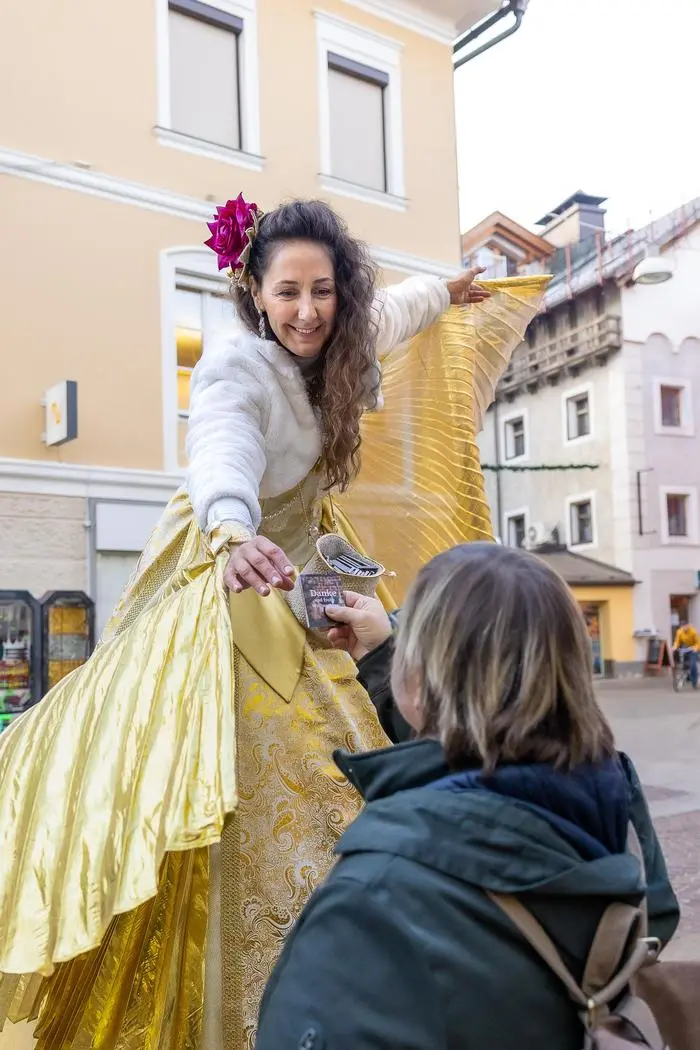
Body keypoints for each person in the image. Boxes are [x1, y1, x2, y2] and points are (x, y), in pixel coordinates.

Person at [0, 198, 546, 1050]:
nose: (306, 310)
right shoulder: (236, 367)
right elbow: (220, 445)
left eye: (323, 291)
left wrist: (447, 288)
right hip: (232, 569)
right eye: (286, 291)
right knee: (229, 776)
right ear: (254, 292)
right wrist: (229, 528)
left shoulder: (346, 344)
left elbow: (396, 311)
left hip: (304, 569)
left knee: (359, 726)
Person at [256, 544, 679, 1050]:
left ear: (417, 678)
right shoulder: (610, 791)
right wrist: (384, 656)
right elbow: (478, 763)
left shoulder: (374, 894)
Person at [672, 619, 699, 687]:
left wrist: (695, 648)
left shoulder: (693, 631)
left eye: (685, 626)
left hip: (693, 648)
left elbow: (698, 643)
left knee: (693, 665)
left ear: (688, 625)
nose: (684, 628)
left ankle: (694, 681)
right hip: (685, 648)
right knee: (684, 663)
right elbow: (677, 641)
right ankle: (686, 675)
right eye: (682, 626)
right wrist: (675, 647)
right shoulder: (679, 631)